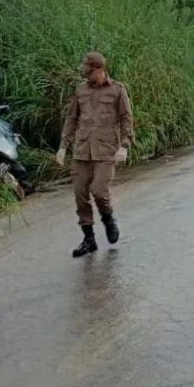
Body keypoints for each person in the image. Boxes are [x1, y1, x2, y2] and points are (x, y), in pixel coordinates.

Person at [55, 52, 135, 257]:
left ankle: (108, 219)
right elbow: (71, 119)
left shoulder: (117, 90)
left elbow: (126, 119)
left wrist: (124, 145)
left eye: (89, 72)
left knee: (99, 191)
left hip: (106, 151)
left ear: (99, 69)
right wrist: (63, 146)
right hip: (82, 151)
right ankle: (89, 239)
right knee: (80, 195)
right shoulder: (81, 91)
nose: (86, 76)